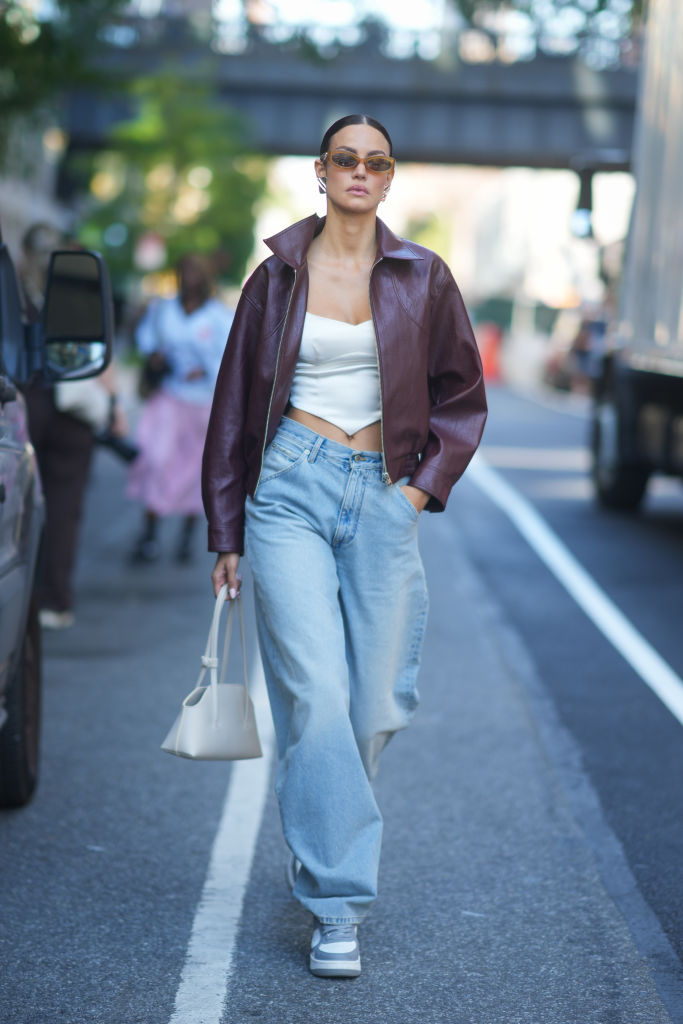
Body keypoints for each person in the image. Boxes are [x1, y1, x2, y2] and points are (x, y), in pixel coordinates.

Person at [202, 114, 487, 977]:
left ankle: (320, 827)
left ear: (389, 178)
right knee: (316, 695)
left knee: (372, 708)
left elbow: (462, 397)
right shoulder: (275, 279)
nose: (359, 171)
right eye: (344, 159)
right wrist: (226, 530)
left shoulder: (423, 278)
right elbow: (230, 411)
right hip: (287, 487)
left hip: (382, 491)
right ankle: (337, 906)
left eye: (376, 161)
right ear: (319, 172)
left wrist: (414, 491)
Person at [19, 223, 127, 630]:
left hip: (27, 401)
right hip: (76, 408)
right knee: (65, 507)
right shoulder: (79, 289)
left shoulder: (16, 294)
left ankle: (24, 594)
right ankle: (55, 600)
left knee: (22, 503)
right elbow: (103, 352)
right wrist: (114, 404)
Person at [127, 254, 233, 563]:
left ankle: (186, 536)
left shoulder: (218, 316)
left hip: (203, 403)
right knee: (157, 460)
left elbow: (229, 356)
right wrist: (157, 356)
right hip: (169, 397)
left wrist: (205, 370)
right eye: (183, 271)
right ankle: (149, 534)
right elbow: (145, 339)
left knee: (195, 468)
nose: (188, 277)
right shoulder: (163, 309)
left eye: (194, 272)